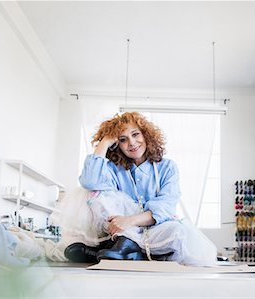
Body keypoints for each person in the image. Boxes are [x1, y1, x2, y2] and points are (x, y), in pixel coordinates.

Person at [63, 112, 217, 266]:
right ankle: (120, 249)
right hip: (118, 229)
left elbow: (166, 207)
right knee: (92, 194)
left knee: (178, 232)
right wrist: (105, 141)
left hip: (153, 228)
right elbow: (90, 182)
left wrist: (129, 221)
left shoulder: (167, 167)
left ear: (146, 135)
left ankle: (109, 251)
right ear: (117, 145)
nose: (131, 143)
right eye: (123, 140)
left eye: (135, 134)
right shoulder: (113, 169)